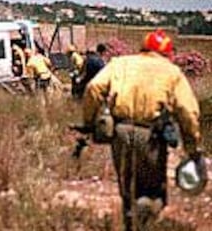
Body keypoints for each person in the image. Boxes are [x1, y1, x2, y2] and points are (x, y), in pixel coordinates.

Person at [82, 29, 202, 230]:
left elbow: (93, 88)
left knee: (128, 187)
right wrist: (192, 147)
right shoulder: (171, 72)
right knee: (151, 191)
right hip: (151, 135)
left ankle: (131, 222)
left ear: (143, 48)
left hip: (120, 132)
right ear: (167, 53)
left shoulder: (120, 63)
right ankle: (145, 224)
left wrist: (89, 122)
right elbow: (188, 111)